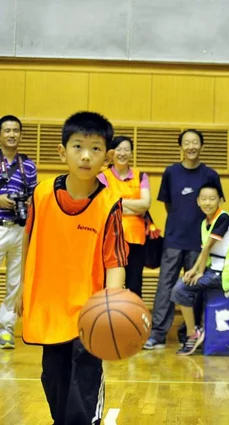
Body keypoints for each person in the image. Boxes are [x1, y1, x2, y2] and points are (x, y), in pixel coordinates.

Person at [16, 111, 128, 425]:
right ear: (62, 151)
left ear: (106, 158)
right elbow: (30, 240)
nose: (85, 156)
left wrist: (111, 304)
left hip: (88, 311)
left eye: (95, 149)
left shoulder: (109, 204)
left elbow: (115, 261)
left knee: (85, 383)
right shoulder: (41, 194)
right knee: (53, 377)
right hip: (51, 306)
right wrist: (24, 287)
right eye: (78, 146)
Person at [144, 129, 225, 350]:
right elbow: (169, 205)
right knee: (165, 287)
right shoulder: (171, 172)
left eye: (195, 142)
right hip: (173, 240)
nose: (191, 146)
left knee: (194, 287)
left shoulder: (210, 175)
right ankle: (158, 334)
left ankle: (188, 333)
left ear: (201, 145)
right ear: (181, 146)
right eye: (187, 142)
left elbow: (216, 207)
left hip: (199, 243)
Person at [170, 182, 229, 356]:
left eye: (212, 199)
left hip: (223, 273)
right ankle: (195, 330)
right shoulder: (205, 223)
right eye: (204, 199)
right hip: (212, 268)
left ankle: (192, 334)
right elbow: (204, 253)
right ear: (197, 201)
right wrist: (193, 270)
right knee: (182, 286)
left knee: (180, 289)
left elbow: (208, 247)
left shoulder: (223, 218)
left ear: (220, 200)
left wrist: (200, 272)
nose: (208, 202)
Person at [0, 115, 37, 349]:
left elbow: (34, 196)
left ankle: (6, 329)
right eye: (7, 131)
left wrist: (27, 202)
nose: (12, 135)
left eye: (16, 131)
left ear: (21, 135)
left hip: (20, 229)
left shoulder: (29, 165)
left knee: (15, 282)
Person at [98, 135, 151, 298]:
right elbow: (103, 207)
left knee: (134, 285)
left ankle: (134, 322)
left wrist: (118, 204)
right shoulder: (102, 177)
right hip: (110, 239)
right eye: (119, 149)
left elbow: (145, 204)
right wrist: (133, 206)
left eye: (126, 149)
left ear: (132, 153)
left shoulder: (141, 175)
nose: (122, 153)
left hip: (135, 239)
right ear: (111, 153)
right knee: (109, 285)